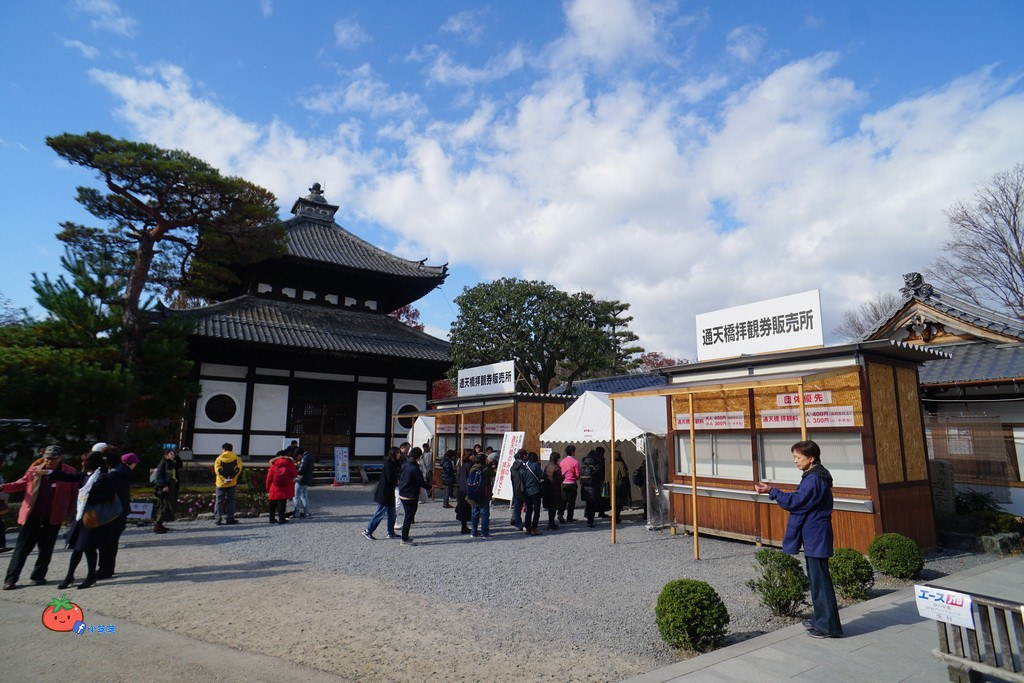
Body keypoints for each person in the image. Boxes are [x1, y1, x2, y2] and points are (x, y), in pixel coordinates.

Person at [754, 440, 843, 639]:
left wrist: (772, 490)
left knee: (820, 582)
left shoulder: (813, 480)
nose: (795, 461)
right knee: (816, 580)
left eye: (798, 457)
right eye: (794, 457)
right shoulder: (816, 476)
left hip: (816, 535)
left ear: (811, 459)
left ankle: (829, 626)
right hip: (815, 535)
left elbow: (795, 501)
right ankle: (821, 620)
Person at [1, 445, 79, 590]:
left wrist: (69, 512)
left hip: (54, 516)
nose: (49, 461)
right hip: (33, 515)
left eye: (53, 458)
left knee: (46, 548)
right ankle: (11, 579)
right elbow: (21, 484)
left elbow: (74, 494)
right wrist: (3, 487)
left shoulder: (69, 472)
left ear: (60, 458)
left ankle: (38, 576)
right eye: (47, 458)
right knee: (21, 549)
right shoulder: (35, 469)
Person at [58, 450, 120, 590]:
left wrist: (88, 497)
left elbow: (108, 495)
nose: (81, 464)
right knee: (76, 548)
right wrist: (49, 473)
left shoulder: (103, 477)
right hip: (81, 516)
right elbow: (68, 476)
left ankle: (90, 576)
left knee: (88, 548)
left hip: (92, 518)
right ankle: (69, 576)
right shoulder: (87, 475)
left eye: (83, 461)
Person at [98, 449, 137, 578]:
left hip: (112, 511)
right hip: (120, 510)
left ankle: (105, 569)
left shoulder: (113, 474)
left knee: (107, 541)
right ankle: (107, 568)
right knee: (112, 541)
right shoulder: (122, 472)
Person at [363, 447, 402, 540]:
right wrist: (398, 481)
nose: (399, 455)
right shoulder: (388, 464)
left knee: (392, 513)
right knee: (380, 513)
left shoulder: (394, 463)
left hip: (389, 492)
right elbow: (389, 478)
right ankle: (368, 530)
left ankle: (391, 532)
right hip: (384, 493)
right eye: (398, 453)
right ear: (394, 454)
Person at [397, 447, 432, 546]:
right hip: (410, 495)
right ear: (419, 456)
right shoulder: (415, 468)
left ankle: (406, 536)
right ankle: (404, 539)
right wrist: (430, 487)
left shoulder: (405, 464)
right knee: (408, 517)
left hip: (403, 492)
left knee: (408, 516)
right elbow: (421, 482)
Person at [466, 452, 496, 539]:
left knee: (475, 512)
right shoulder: (485, 469)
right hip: (483, 493)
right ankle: (485, 533)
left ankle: (473, 532)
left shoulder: (473, 468)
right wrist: (490, 465)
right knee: (484, 513)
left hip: (473, 493)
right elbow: (493, 474)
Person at [153, 448, 183, 534]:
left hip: (172, 487)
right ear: (166, 455)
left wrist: (176, 456)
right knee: (165, 505)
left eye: (173, 454)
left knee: (169, 505)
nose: (173, 455)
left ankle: (160, 524)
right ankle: (157, 525)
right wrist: (163, 485)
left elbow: (180, 465)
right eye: (171, 454)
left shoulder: (172, 463)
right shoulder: (163, 463)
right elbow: (159, 476)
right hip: (165, 487)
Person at [213, 443, 243, 525]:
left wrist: (224, 479)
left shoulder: (219, 458)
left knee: (219, 501)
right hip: (232, 483)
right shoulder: (237, 459)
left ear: (224, 449)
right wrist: (231, 478)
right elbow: (238, 470)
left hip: (221, 484)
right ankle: (230, 518)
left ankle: (218, 519)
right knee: (231, 501)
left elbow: (217, 470)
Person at [266, 450, 298, 524]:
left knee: (272, 503)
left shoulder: (273, 464)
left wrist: (267, 487)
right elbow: (294, 475)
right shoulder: (290, 463)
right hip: (286, 486)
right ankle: (281, 518)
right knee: (282, 503)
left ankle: (272, 518)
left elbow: (269, 478)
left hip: (274, 486)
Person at [519, 452, 545, 535]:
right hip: (535, 490)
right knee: (537, 510)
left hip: (526, 490)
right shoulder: (535, 465)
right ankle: (534, 528)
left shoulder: (524, 466)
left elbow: (521, 478)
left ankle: (527, 528)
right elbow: (542, 475)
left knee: (528, 509)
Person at [580, 449, 605, 528]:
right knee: (593, 505)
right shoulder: (597, 465)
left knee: (588, 503)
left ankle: (587, 517)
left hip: (585, 487)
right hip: (594, 487)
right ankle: (590, 521)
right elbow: (600, 477)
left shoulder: (583, 464)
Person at [542, 452, 564, 531]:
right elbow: (559, 480)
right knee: (553, 508)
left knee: (550, 508)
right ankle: (551, 524)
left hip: (547, 489)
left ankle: (551, 523)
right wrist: (563, 477)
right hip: (554, 490)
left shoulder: (547, 466)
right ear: (557, 459)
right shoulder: (556, 468)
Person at [559, 444, 581, 523]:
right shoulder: (575, 462)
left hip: (564, 483)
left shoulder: (562, 461)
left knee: (564, 500)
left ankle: (560, 513)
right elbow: (578, 474)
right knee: (571, 501)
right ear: (572, 452)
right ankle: (569, 517)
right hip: (572, 483)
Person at [454, 449, 474, 534]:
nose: (474, 456)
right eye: (473, 455)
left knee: (462, 508)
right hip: (467, 489)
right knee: (468, 509)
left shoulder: (463, 465)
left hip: (461, 489)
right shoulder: (470, 466)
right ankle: (468, 527)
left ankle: (464, 526)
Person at [294, 449, 315, 518]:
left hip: (302, 479)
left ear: (299, 455)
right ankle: (307, 513)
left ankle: (296, 514)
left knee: (296, 497)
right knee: (304, 496)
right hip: (308, 479)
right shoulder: (310, 456)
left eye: (297, 457)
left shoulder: (304, 459)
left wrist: (297, 467)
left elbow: (301, 470)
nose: (298, 458)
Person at [509, 449, 526, 530]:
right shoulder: (523, 466)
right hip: (524, 489)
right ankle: (527, 524)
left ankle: (517, 524)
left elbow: (512, 478)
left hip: (515, 488)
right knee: (528, 506)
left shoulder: (513, 467)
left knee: (517, 507)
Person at [613, 450, 631, 523]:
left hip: (612, 485)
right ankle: (616, 518)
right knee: (619, 503)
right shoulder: (621, 464)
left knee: (614, 502)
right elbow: (624, 475)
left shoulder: (611, 463)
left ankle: (614, 517)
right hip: (619, 485)